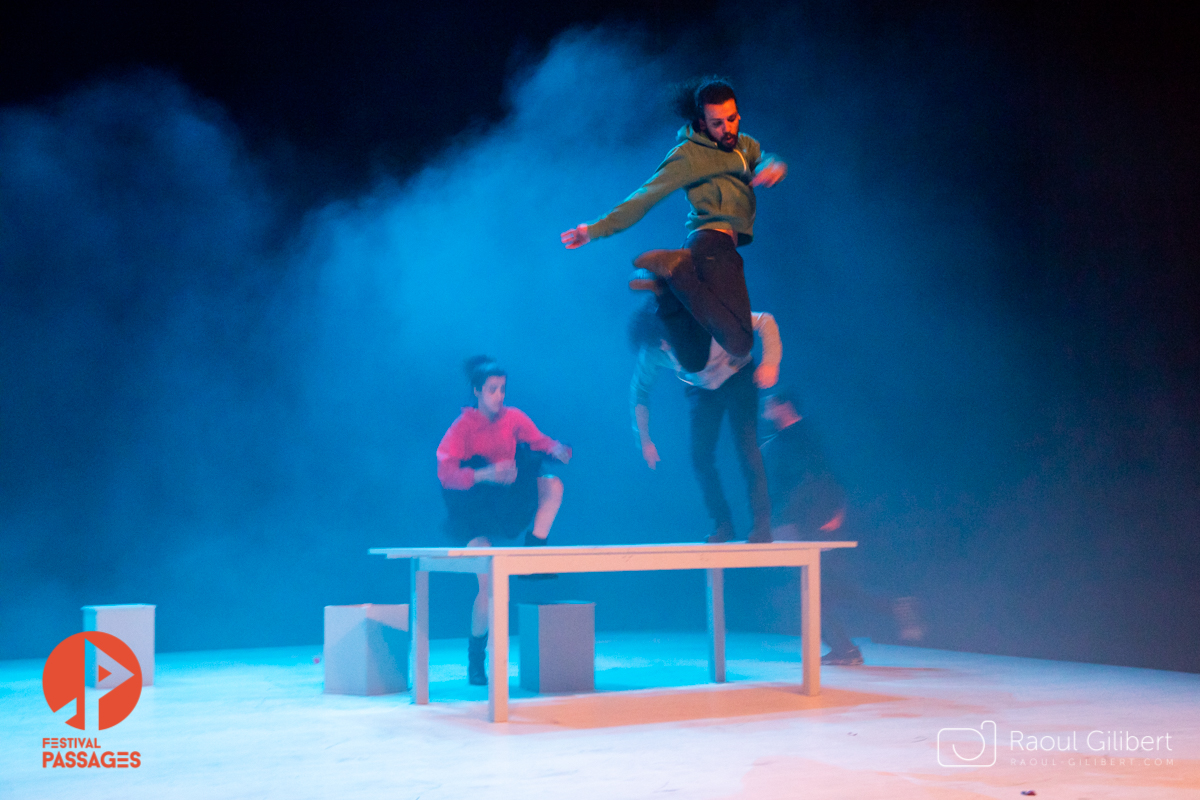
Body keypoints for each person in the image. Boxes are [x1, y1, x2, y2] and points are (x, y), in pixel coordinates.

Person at [561, 77, 788, 373]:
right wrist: (593, 230)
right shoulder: (689, 155)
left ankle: (665, 291)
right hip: (712, 245)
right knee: (740, 343)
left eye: (731, 119)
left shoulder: (744, 146)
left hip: (709, 251)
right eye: (717, 123)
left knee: (693, 360)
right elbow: (645, 196)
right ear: (702, 123)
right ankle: (676, 271)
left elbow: (765, 159)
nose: (727, 129)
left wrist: (774, 168)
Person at [761, 390, 923, 665]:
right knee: (826, 588)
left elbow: (827, 474)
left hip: (809, 523)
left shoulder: (806, 437)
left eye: (770, 405)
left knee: (813, 589)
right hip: (801, 521)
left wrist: (837, 510)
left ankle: (853, 642)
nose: (765, 411)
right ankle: (887, 611)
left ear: (784, 406)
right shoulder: (783, 441)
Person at [436, 356, 572, 685]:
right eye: (493, 390)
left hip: (505, 501)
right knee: (490, 585)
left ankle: (534, 552)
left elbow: (538, 440)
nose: (500, 396)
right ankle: (476, 658)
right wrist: (486, 473)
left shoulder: (513, 418)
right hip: (472, 510)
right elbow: (445, 473)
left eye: (503, 389)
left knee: (552, 485)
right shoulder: (462, 428)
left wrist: (555, 447)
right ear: (477, 391)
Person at [629, 302, 781, 543]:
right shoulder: (653, 350)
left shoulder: (708, 318)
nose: (665, 347)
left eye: (667, 339)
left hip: (737, 375)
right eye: (659, 345)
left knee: (747, 447)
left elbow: (765, 320)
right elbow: (640, 392)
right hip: (702, 389)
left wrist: (770, 361)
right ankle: (723, 525)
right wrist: (644, 439)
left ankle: (762, 524)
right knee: (700, 456)